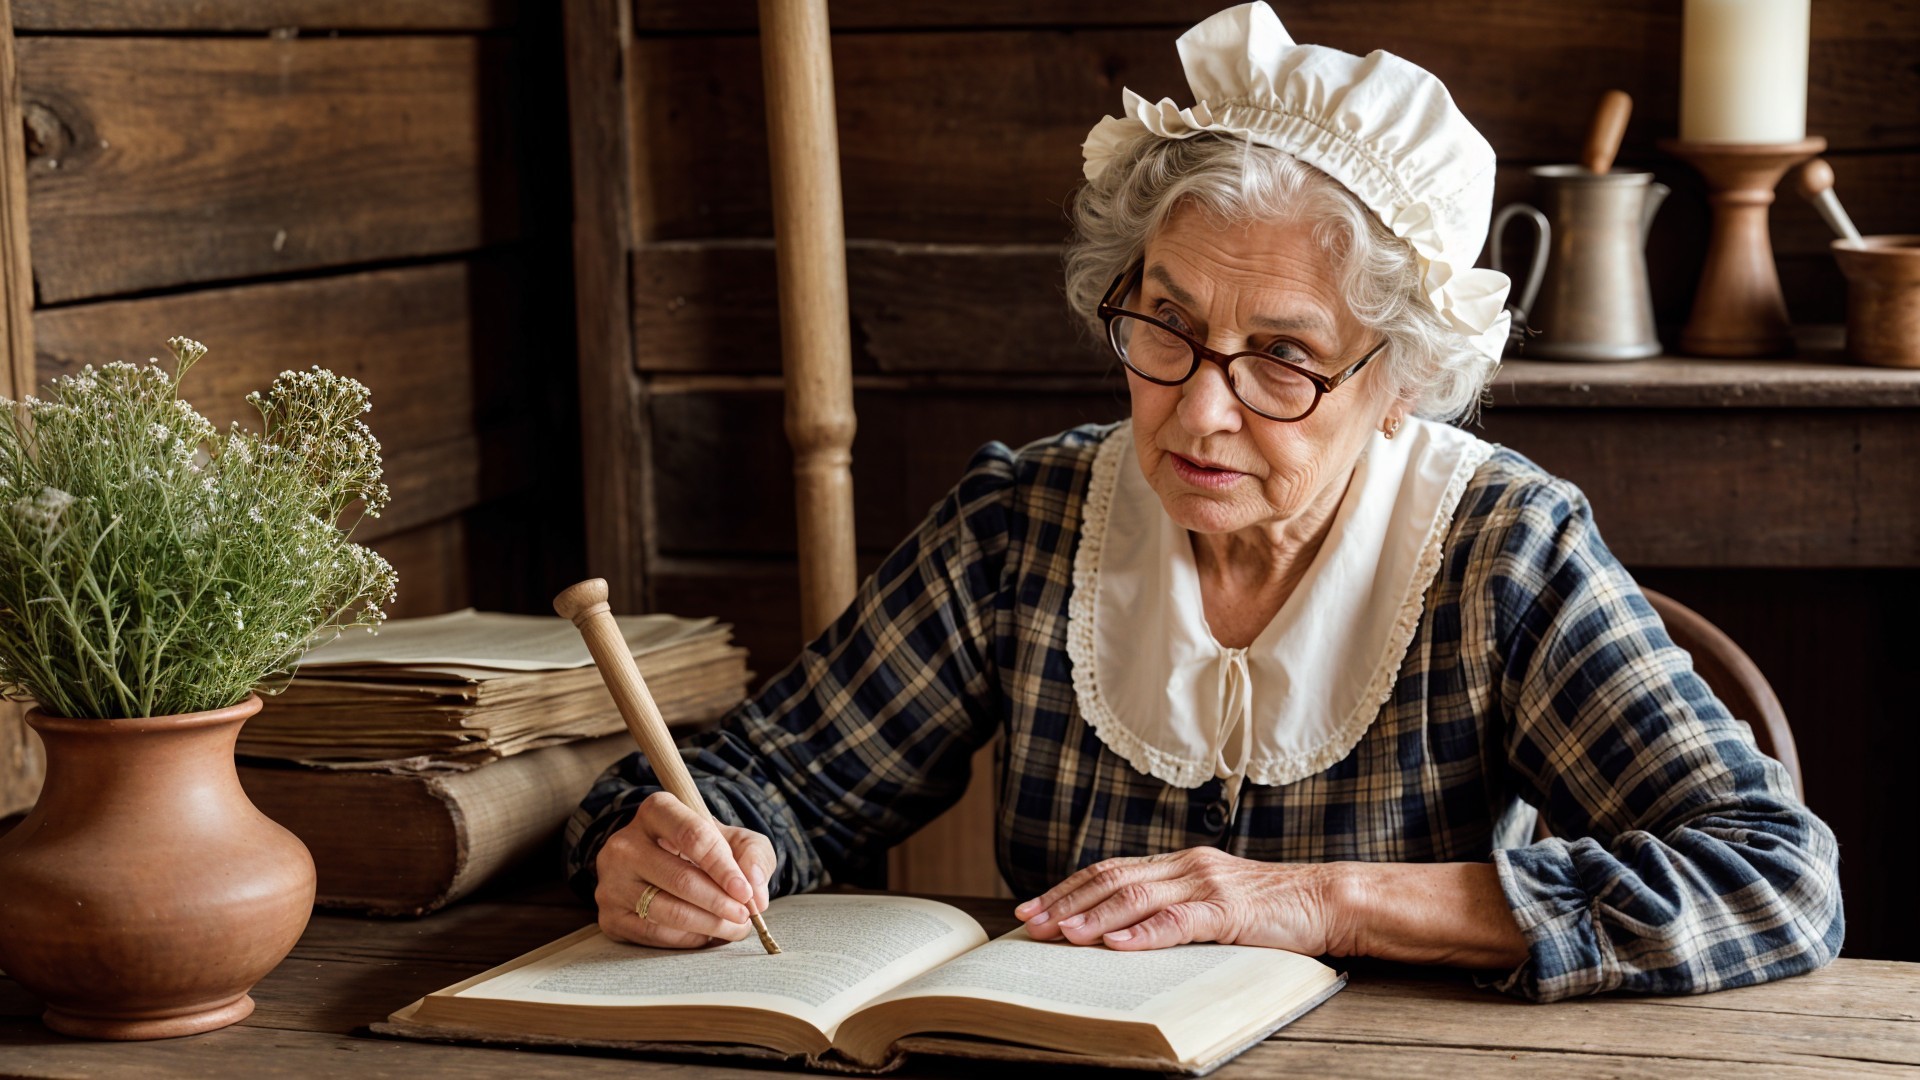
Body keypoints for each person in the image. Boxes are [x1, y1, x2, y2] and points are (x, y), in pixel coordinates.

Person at [565, 2, 1842, 1001]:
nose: (1196, 410)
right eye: (1164, 327)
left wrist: (1318, 901)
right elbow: (766, 779)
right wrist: (682, 849)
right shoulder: (1025, 525)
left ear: (1402, 377)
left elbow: (1774, 883)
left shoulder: (1502, 554)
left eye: (1284, 358)